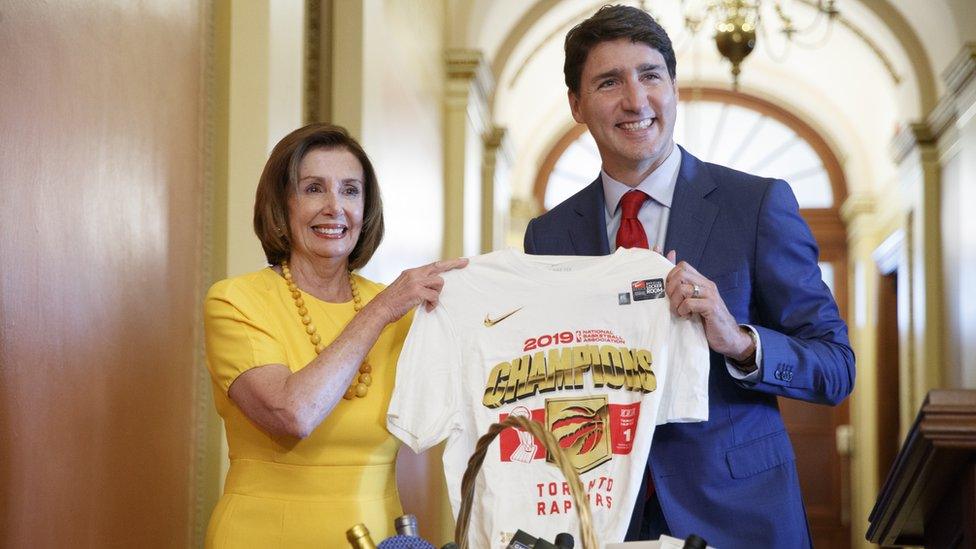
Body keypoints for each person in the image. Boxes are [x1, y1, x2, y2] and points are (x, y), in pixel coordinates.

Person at [523, 6, 855, 547]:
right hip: (599, 520)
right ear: (576, 105)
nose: (636, 101)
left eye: (651, 75)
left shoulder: (757, 205)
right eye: (609, 82)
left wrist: (741, 342)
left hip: (739, 517)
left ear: (673, 89)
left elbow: (836, 366)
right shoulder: (547, 235)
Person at [203, 123, 465, 547]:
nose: (334, 207)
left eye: (349, 190)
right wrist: (381, 310)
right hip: (263, 536)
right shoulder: (235, 301)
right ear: (281, 204)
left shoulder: (404, 311)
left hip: (378, 536)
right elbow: (293, 413)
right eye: (313, 189)